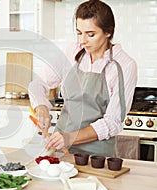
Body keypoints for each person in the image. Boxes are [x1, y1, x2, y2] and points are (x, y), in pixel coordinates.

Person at [28, 0, 137, 157]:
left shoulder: (124, 65)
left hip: (97, 156)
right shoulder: (72, 52)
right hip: (60, 150)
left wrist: (69, 137)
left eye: (90, 34)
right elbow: (37, 84)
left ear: (108, 32)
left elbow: (113, 122)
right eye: (79, 33)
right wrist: (41, 108)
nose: (82, 41)